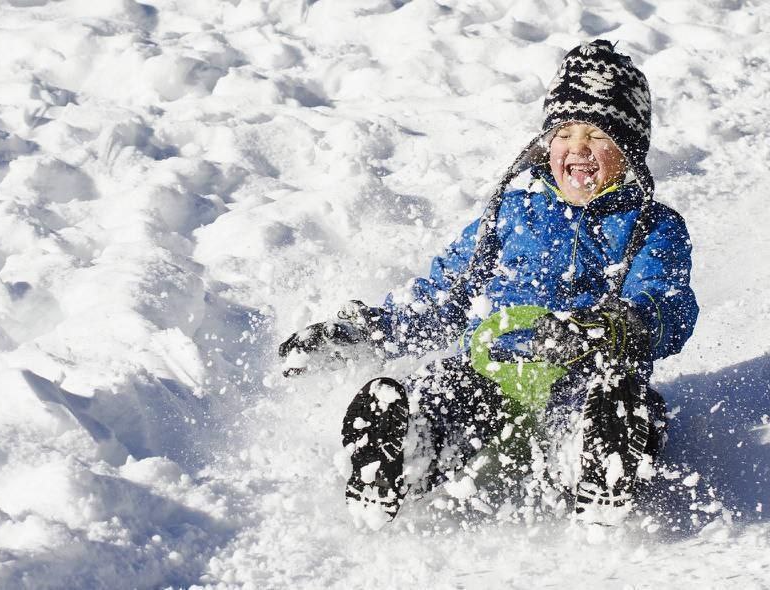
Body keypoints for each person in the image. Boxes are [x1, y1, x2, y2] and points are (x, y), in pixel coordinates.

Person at [278, 40, 697, 527]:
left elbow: (669, 300)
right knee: (440, 390)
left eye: (597, 134)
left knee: (623, 398)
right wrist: (367, 330)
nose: (578, 147)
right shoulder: (510, 217)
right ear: (546, 144)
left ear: (628, 149)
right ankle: (404, 447)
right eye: (564, 132)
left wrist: (623, 324)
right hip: (488, 372)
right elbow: (443, 298)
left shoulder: (652, 226)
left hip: (582, 376)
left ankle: (595, 458)